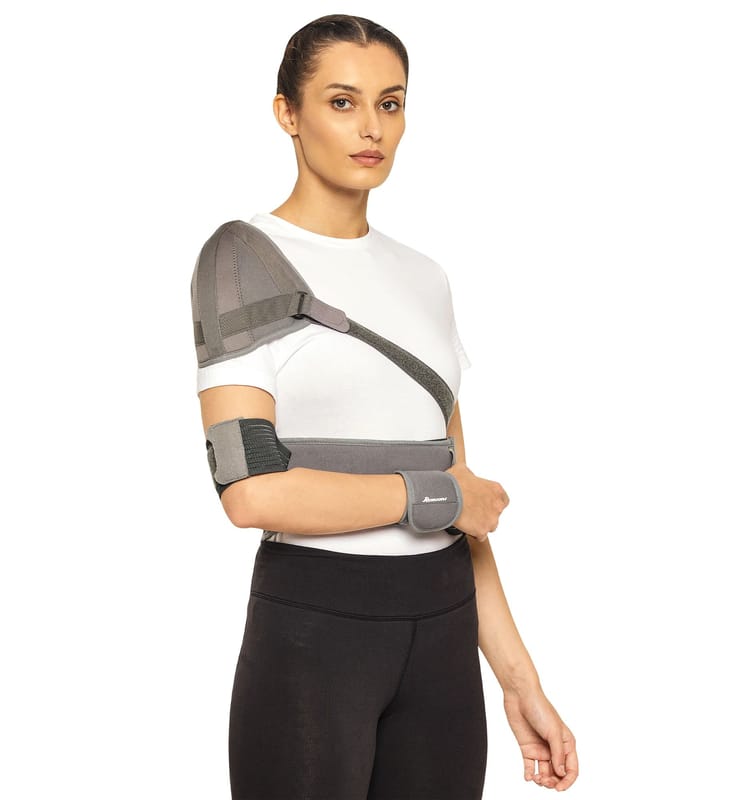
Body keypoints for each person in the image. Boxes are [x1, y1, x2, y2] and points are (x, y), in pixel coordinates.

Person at [192, 13, 578, 799]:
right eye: (342, 102)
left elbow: (460, 500)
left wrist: (519, 681)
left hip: (444, 633)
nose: (371, 127)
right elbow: (251, 491)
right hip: (315, 631)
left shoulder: (425, 277)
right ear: (287, 113)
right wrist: (431, 496)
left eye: (390, 103)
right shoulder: (243, 260)